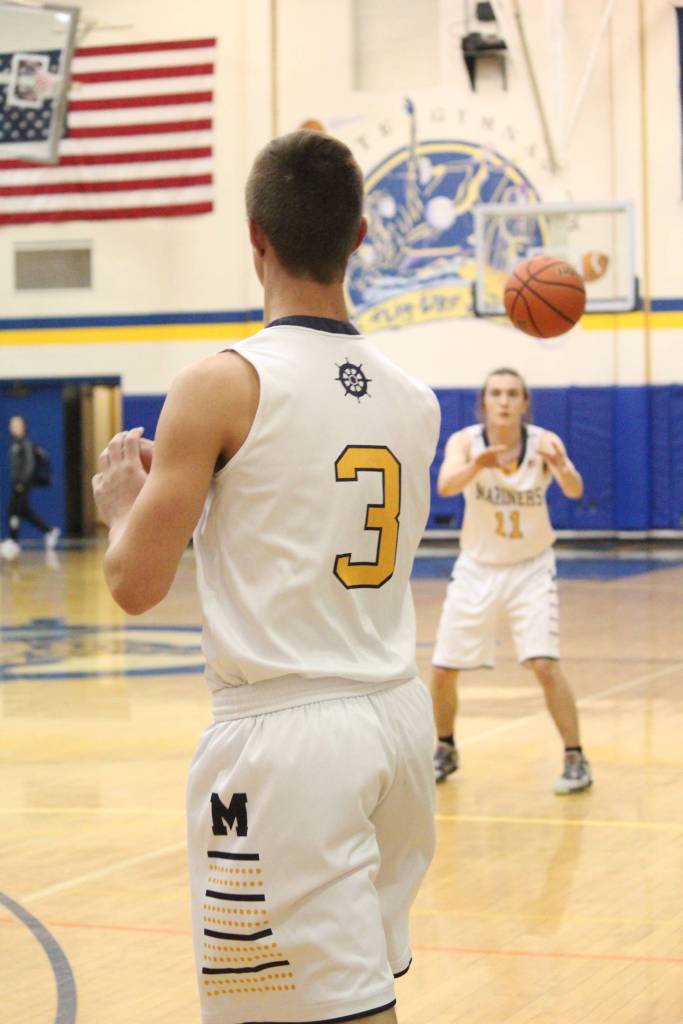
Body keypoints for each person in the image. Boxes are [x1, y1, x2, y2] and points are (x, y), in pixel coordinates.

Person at [92, 130, 441, 1024]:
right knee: (356, 994)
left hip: (287, 741)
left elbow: (134, 583)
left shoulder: (220, 385)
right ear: (360, 235)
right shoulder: (415, 400)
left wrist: (118, 508)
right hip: (394, 720)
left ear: (255, 235)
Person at [430, 368, 592, 795]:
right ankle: (444, 748)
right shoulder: (465, 442)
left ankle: (576, 757)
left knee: (543, 663)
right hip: (477, 566)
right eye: (496, 394)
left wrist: (561, 465)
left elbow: (574, 490)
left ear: (525, 403)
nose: (504, 401)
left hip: (531, 567)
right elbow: (446, 486)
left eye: (513, 394)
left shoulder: (545, 442)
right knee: (443, 668)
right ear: (484, 402)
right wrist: (476, 466)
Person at [1, 415, 60, 561]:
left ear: (22, 426)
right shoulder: (15, 443)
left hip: (23, 483)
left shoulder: (26, 443)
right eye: (11, 424)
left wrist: (22, 482)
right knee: (18, 511)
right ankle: (17, 539)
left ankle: (17, 540)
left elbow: (30, 465)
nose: (12, 427)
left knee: (17, 510)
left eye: (15, 424)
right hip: (17, 483)